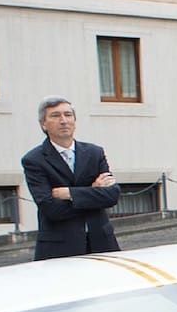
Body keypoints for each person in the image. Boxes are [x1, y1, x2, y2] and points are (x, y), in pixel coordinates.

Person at [21, 96, 120, 261]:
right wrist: (93, 193)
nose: (63, 121)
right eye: (55, 116)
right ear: (43, 124)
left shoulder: (94, 153)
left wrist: (69, 194)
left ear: (74, 120)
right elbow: (51, 208)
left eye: (68, 115)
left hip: (102, 244)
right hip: (59, 250)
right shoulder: (34, 160)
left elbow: (112, 195)